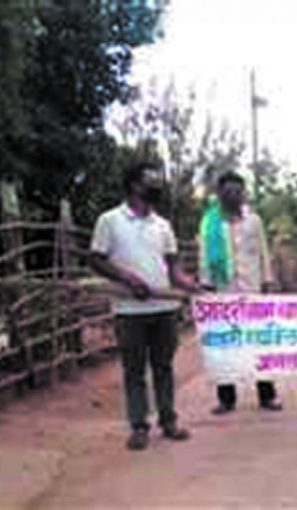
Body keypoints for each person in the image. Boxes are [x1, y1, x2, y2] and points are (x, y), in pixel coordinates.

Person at [89, 162, 200, 451]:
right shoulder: (109, 221)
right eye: (151, 181)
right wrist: (126, 278)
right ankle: (139, 426)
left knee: (164, 367)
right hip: (129, 311)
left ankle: (168, 421)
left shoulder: (163, 226)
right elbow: (96, 260)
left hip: (164, 309)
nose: (157, 186)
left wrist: (191, 285)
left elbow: (173, 269)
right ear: (133, 185)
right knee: (134, 371)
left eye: (158, 181)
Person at [198, 171, 283, 414]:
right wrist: (206, 287)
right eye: (228, 192)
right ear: (220, 194)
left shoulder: (254, 221)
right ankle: (226, 399)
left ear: (243, 194)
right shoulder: (210, 223)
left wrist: (267, 282)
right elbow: (204, 256)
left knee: (259, 345)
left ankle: (267, 396)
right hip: (223, 292)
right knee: (224, 348)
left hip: (252, 290)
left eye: (238, 191)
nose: (234, 196)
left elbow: (263, 253)